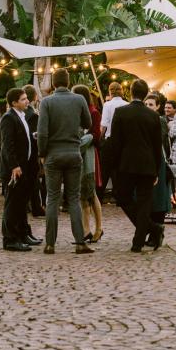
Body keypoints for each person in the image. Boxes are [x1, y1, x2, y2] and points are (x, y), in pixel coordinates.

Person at [37, 68, 94, 254]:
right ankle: (80, 242)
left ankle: (50, 244)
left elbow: (42, 132)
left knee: (52, 198)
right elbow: (88, 123)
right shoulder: (79, 99)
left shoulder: (46, 102)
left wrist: (42, 153)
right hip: (73, 152)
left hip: (53, 154)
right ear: (68, 82)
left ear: (53, 83)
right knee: (74, 198)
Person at [106, 79, 163, 252]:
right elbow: (157, 145)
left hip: (127, 163)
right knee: (144, 202)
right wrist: (156, 169)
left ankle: (142, 237)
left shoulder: (121, 112)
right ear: (145, 94)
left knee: (123, 197)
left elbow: (115, 142)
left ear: (130, 92)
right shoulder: (153, 116)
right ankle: (150, 229)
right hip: (147, 164)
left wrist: (114, 165)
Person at [0, 87, 39, 251]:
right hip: (14, 168)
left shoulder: (22, 116)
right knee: (12, 204)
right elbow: (8, 145)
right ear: (14, 102)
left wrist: (33, 136)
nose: (27, 101)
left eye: (26, 98)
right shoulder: (9, 118)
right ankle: (10, 238)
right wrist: (14, 165)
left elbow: (22, 138)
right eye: (23, 99)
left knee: (22, 202)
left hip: (25, 166)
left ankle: (23, 233)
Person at [73, 85, 104, 244]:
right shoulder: (76, 112)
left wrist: (82, 141)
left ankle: (99, 228)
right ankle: (86, 230)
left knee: (91, 193)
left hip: (89, 156)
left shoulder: (93, 112)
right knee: (82, 194)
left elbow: (96, 136)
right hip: (78, 156)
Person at [144, 93, 172, 235]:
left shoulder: (160, 120)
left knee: (158, 198)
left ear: (158, 106)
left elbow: (160, 142)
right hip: (148, 161)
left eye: (151, 104)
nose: (148, 107)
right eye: (146, 104)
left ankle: (157, 231)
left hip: (159, 161)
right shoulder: (145, 119)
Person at [24, 84, 46, 216]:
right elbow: (35, 136)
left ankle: (30, 205)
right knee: (34, 179)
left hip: (25, 152)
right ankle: (36, 206)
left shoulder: (24, 113)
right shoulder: (33, 115)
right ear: (35, 97)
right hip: (31, 152)